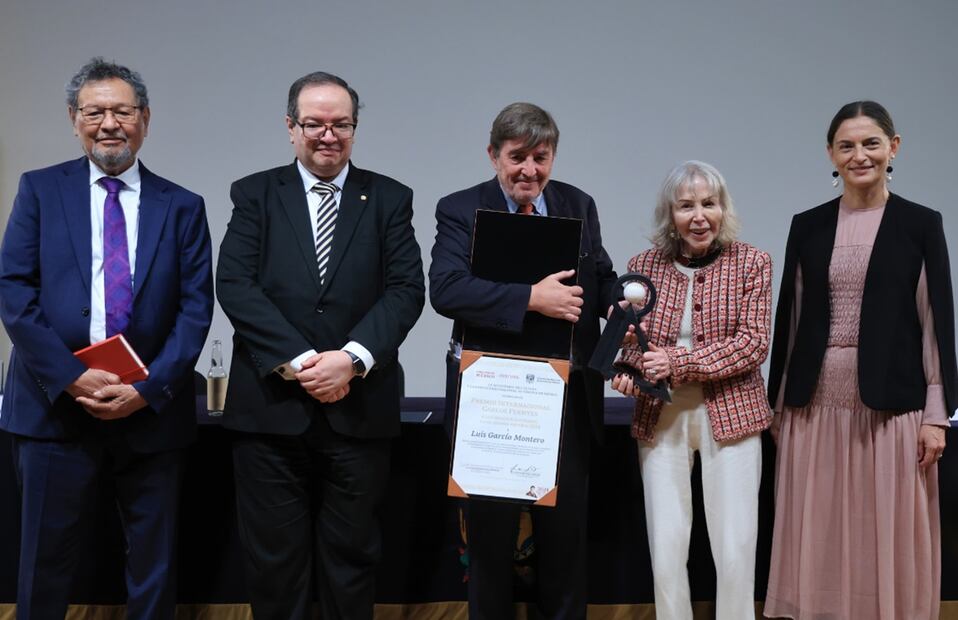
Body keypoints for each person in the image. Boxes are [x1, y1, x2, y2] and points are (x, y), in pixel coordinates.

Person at [0, 57, 214, 618]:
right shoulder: (40, 190)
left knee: (154, 564)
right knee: (43, 562)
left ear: (145, 119)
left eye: (122, 111)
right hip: (51, 409)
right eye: (95, 112)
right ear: (74, 119)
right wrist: (71, 376)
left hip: (150, 411)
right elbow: (15, 294)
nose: (109, 124)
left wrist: (148, 389)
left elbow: (195, 310)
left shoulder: (183, 205)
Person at [216, 71, 425, 620]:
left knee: (351, 561)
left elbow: (406, 290)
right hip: (270, 411)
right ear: (291, 128)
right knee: (274, 567)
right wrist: (305, 362)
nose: (327, 135)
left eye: (341, 124)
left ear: (355, 128)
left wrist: (351, 361)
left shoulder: (389, 198)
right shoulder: (255, 193)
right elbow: (235, 283)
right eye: (314, 124)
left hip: (359, 410)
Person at [764, 101, 956, 620]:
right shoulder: (807, 225)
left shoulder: (920, 224)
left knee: (884, 531)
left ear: (894, 148)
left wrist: (937, 416)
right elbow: (793, 319)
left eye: (871, 143)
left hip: (892, 408)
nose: (859, 155)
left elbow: (936, 322)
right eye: (846, 145)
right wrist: (778, 406)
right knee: (819, 527)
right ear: (831, 154)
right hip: (814, 404)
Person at [429, 102, 617, 619]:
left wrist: (621, 298)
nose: (529, 170)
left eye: (541, 156)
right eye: (517, 157)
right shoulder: (461, 208)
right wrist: (531, 299)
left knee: (565, 545)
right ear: (493, 155)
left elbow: (599, 276)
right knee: (489, 547)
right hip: (493, 397)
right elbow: (445, 290)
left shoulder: (578, 203)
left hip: (566, 397)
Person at [611, 161, 772, 620]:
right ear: (670, 214)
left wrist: (676, 362)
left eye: (709, 203)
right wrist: (625, 369)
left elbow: (753, 344)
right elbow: (631, 341)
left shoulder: (752, 262)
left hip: (733, 418)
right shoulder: (642, 267)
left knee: (736, 548)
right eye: (686, 206)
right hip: (660, 418)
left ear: (723, 209)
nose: (699, 216)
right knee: (665, 548)